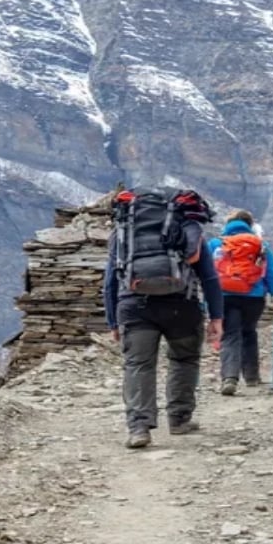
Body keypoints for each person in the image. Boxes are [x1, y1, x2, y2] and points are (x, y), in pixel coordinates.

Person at [104, 191, 225, 450]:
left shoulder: (123, 231)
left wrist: (113, 321)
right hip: (182, 306)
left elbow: (110, 281)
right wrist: (216, 317)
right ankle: (179, 419)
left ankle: (139, 427)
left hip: (134, 307)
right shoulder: (188, 228)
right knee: (184, 359)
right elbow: (209, 277)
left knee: (139, 364)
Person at [208, 210, 273, 396]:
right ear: (249, 225)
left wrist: (205, 299)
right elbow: (271, 272)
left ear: (228, 224)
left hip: (224, 296)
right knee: (249, 332)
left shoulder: (216, 244)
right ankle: (252, 377)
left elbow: (206, 273)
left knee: (230, 335)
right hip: (254, 297)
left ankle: (229, 378)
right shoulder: (260, 245)